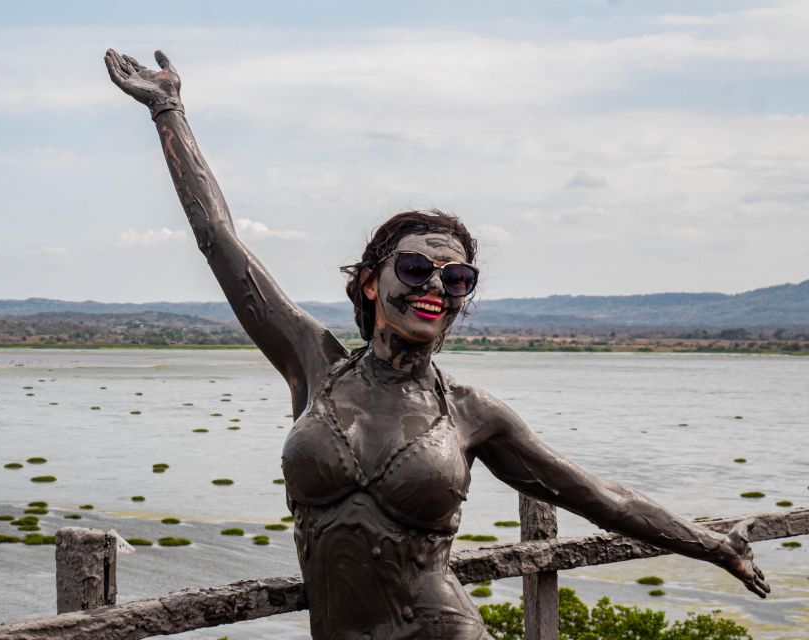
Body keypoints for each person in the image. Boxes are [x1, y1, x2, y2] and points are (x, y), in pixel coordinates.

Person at [104, 49, 769, 640]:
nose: (436, 288)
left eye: (456, 279)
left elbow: (601, 497)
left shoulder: (473, 415)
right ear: (371, 284)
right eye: (417, 270)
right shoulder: (315, 363)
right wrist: (170, 112)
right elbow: (222, 244)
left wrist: (712, 545)